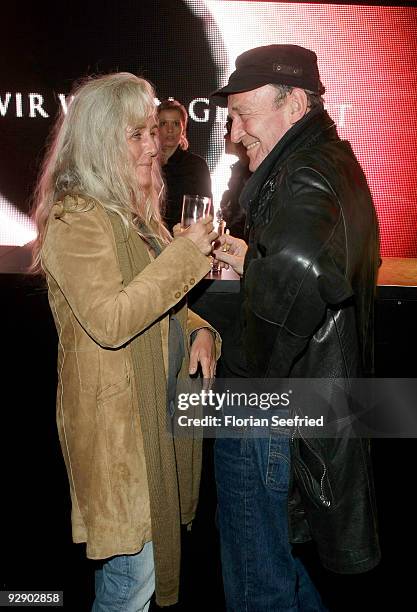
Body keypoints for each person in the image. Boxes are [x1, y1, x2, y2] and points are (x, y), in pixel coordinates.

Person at [31, 72, 220, 611]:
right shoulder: (76, 218)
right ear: (99, 141)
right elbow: (113, 320)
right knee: (130, 586)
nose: (152, 145)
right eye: (136, 135)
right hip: (117, 433)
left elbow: (162, 304)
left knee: (137, 580)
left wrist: (199, 329)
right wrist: (188, 257)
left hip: (146, 423)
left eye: (151, 132)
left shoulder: (132, 212)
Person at [211, 45, 381, 610]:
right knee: (278, 572)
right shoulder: (321, 159)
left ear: (296, 104)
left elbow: (303, 278)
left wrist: (236, 378)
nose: (234, 134)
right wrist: (254, 260)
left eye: (244, 116)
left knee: (258, 582)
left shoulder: (305, 172)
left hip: (268, 409)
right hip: (306, 402)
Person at [157, 98, 212, 232]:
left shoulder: (196, 166)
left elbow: (206, 214)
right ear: (155, 127)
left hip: (185, 242)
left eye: (175, 123)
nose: (169, 129)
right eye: (163, 123)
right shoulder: (145, 163)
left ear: (183, 128)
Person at [219, 116, 251, 239]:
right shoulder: (240, 170)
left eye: (228, 132)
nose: (225, 137)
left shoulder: (251, 174)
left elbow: (241, 223)